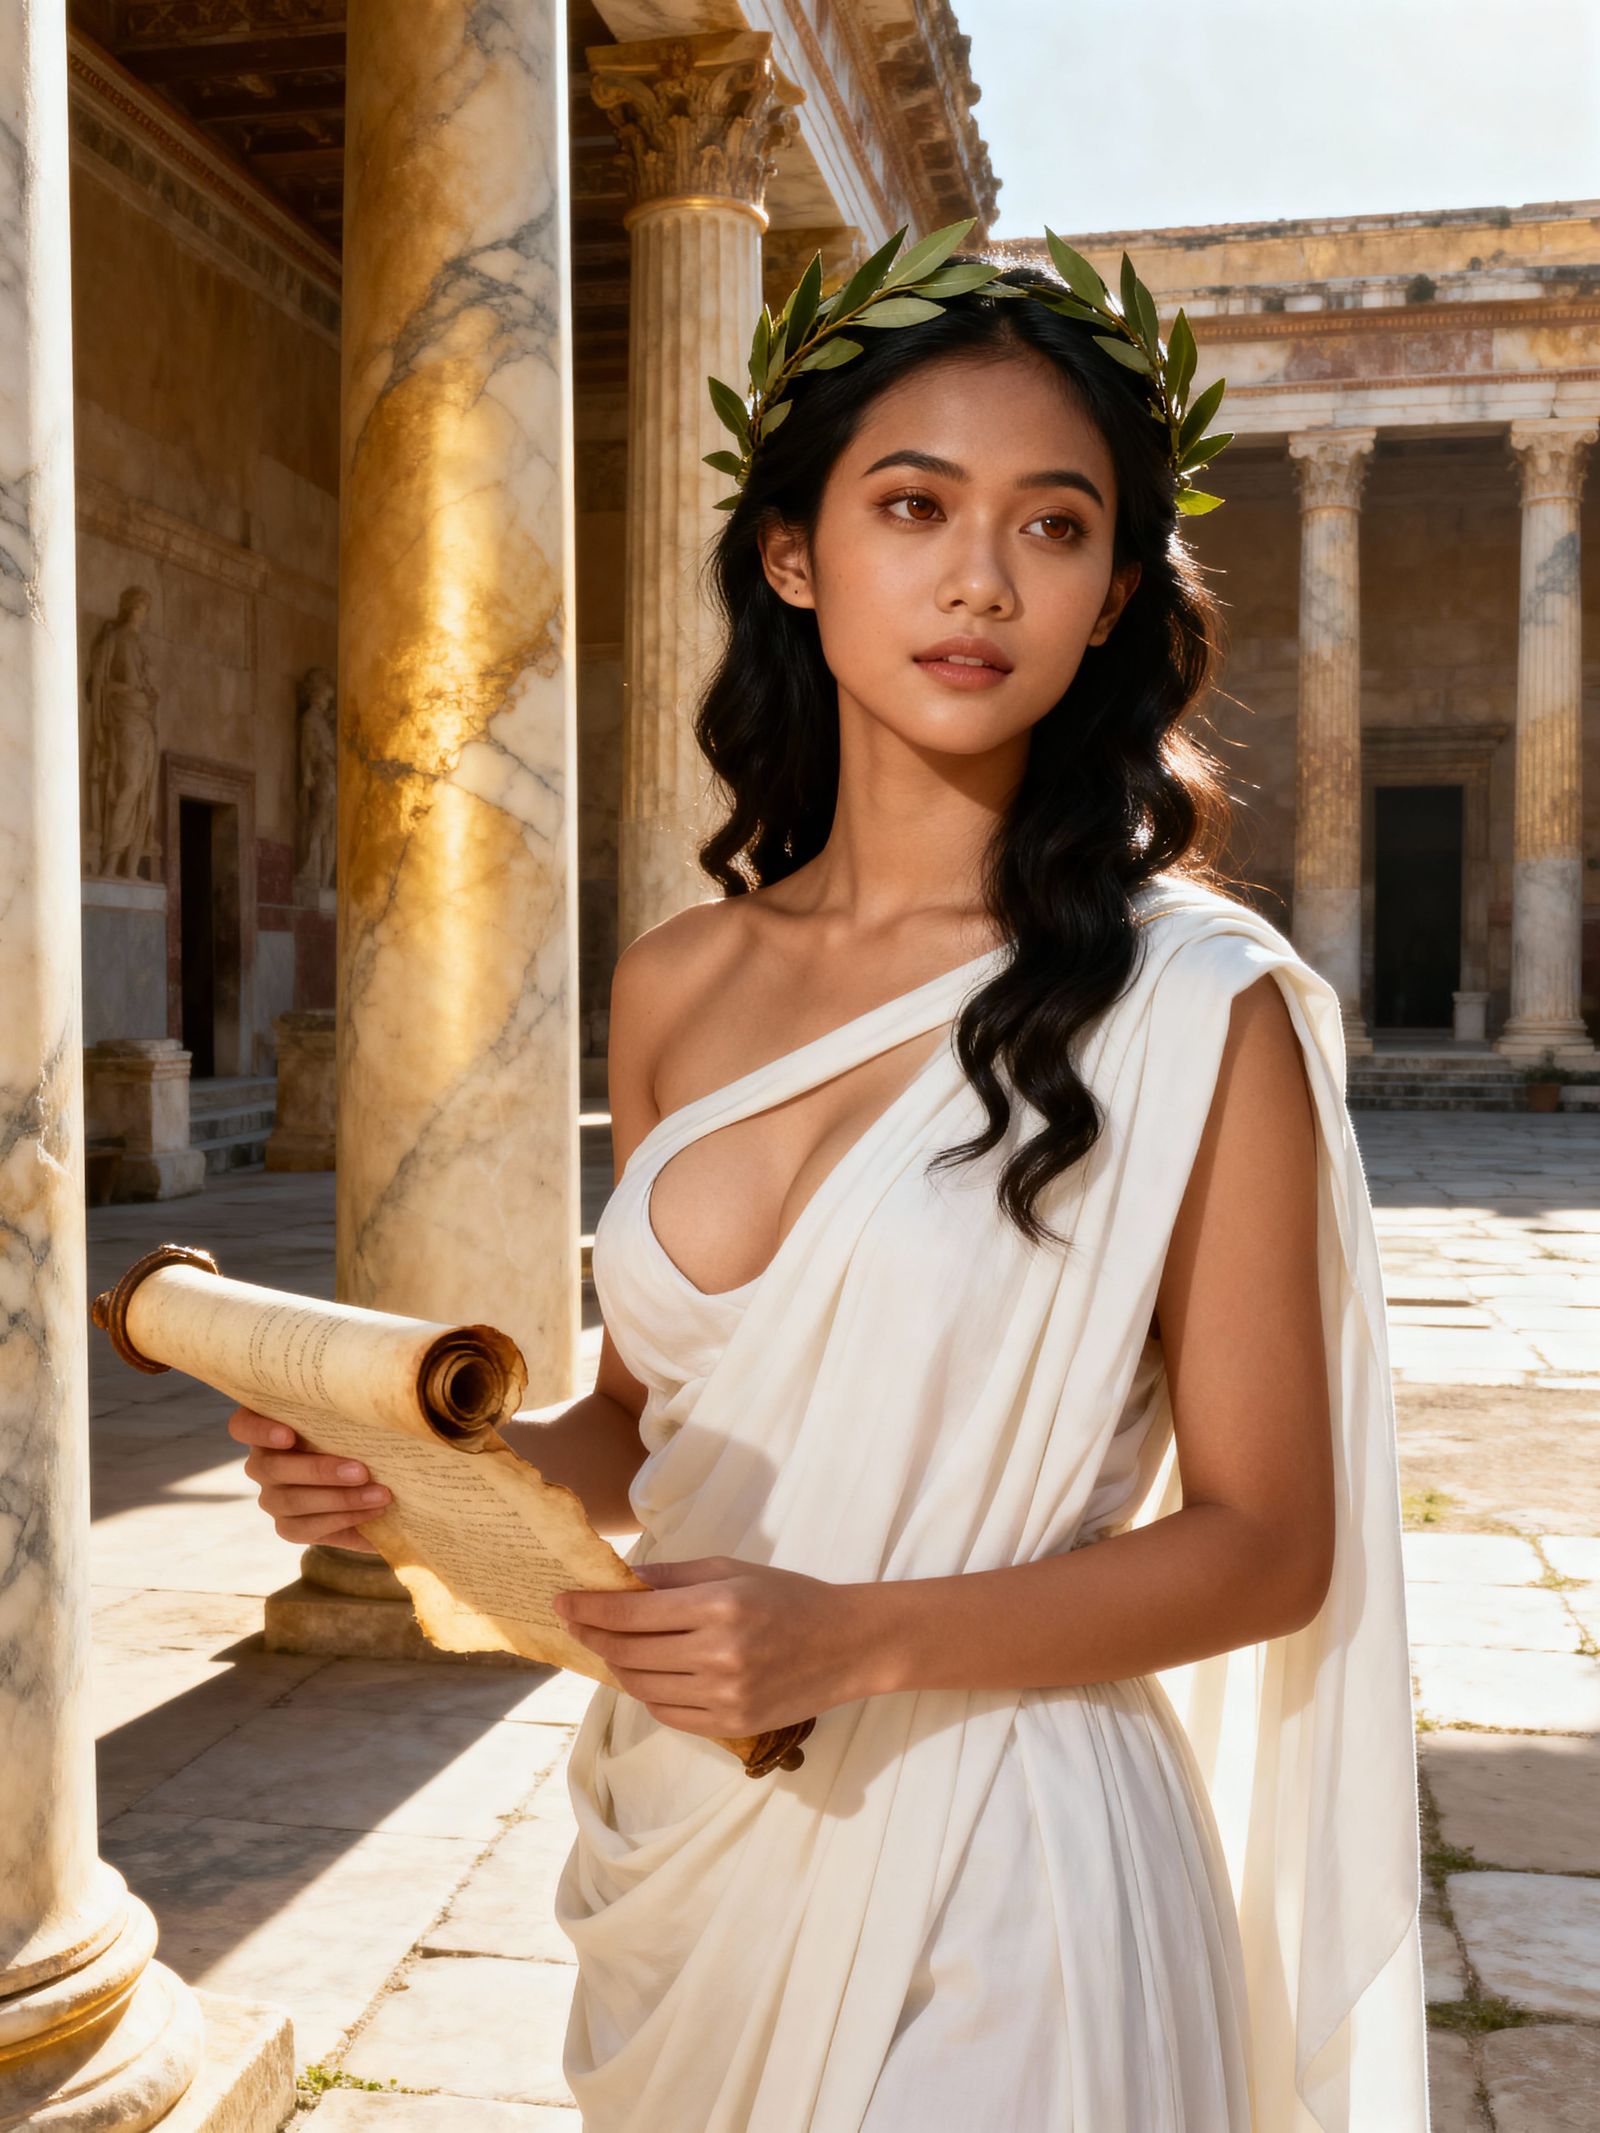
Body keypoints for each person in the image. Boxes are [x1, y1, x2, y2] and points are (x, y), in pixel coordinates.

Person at [229, 231, 1429, 2130]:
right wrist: (427, 1480)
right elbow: (645, 1423)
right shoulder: (680, 984)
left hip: (1010, 1866)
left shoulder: (1201, 1008)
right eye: (912, 502)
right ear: (796, 553)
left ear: (1116, 595)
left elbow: (1274, 1544)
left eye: (1052, 526)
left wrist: (853, 1635)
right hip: (694, 1847)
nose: (976, 574)